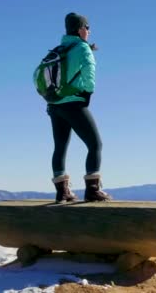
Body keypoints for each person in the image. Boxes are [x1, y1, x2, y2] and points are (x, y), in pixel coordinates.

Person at [47, 12, 111, 203]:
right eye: (87, 27)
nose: (89, 31)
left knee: (60, 147)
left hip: (54, 105)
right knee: (95, 144)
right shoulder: (82, 48)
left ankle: (62, 193)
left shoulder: (60, 49)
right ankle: (92, 190)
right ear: (80, 29)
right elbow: (89, 75)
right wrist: (86, 94)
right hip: (73, 102)